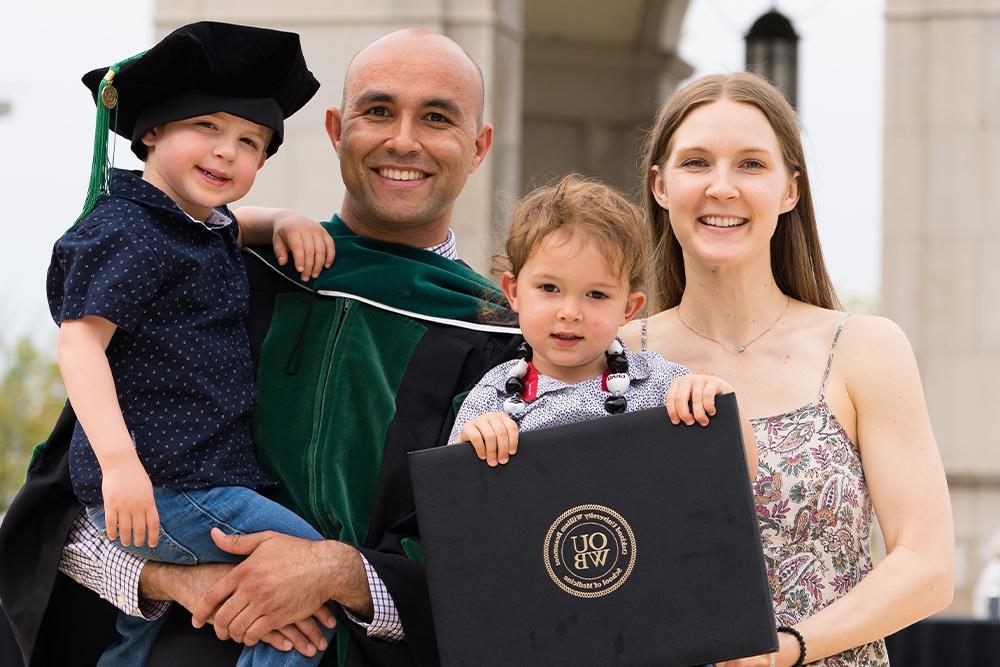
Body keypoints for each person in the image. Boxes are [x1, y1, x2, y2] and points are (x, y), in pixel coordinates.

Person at [0, 28, 519, 667]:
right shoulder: (212, 280)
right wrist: (173, 580)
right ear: (335, 130)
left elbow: (501, 563)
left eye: (437, 118)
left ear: (479, 146)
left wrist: (338, 574)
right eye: (377, 112)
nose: (403, 140)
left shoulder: (504, 345)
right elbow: (64, 517)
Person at [620, 72, 954, 667]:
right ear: (660, 186)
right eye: (696, 163)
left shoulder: (863, 348)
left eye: (751, 165)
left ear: (789, 190)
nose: (722, 187)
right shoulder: (612, 358)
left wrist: (785, 651)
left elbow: (927, 566)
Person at [43, 21, 344, 667]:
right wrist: (122, 465)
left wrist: (286, 219)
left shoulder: (189, 224)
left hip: (186, 478)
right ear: (150, 130)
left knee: (138, 634)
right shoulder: (126, 230)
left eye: (250, 142)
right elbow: (79, 345)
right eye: (206, 127)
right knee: (306, 586)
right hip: (168, 481)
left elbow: (232, 227)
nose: (226, 153)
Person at [449, 174, 758, 480]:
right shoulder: (494, 397)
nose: (570, 313)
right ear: (513, 292)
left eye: (596, 295)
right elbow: (451, 503)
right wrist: (469, 448)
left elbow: (741, 477)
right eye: (549, 288)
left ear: (628, 308)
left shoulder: (660, 386)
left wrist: (721, 400)